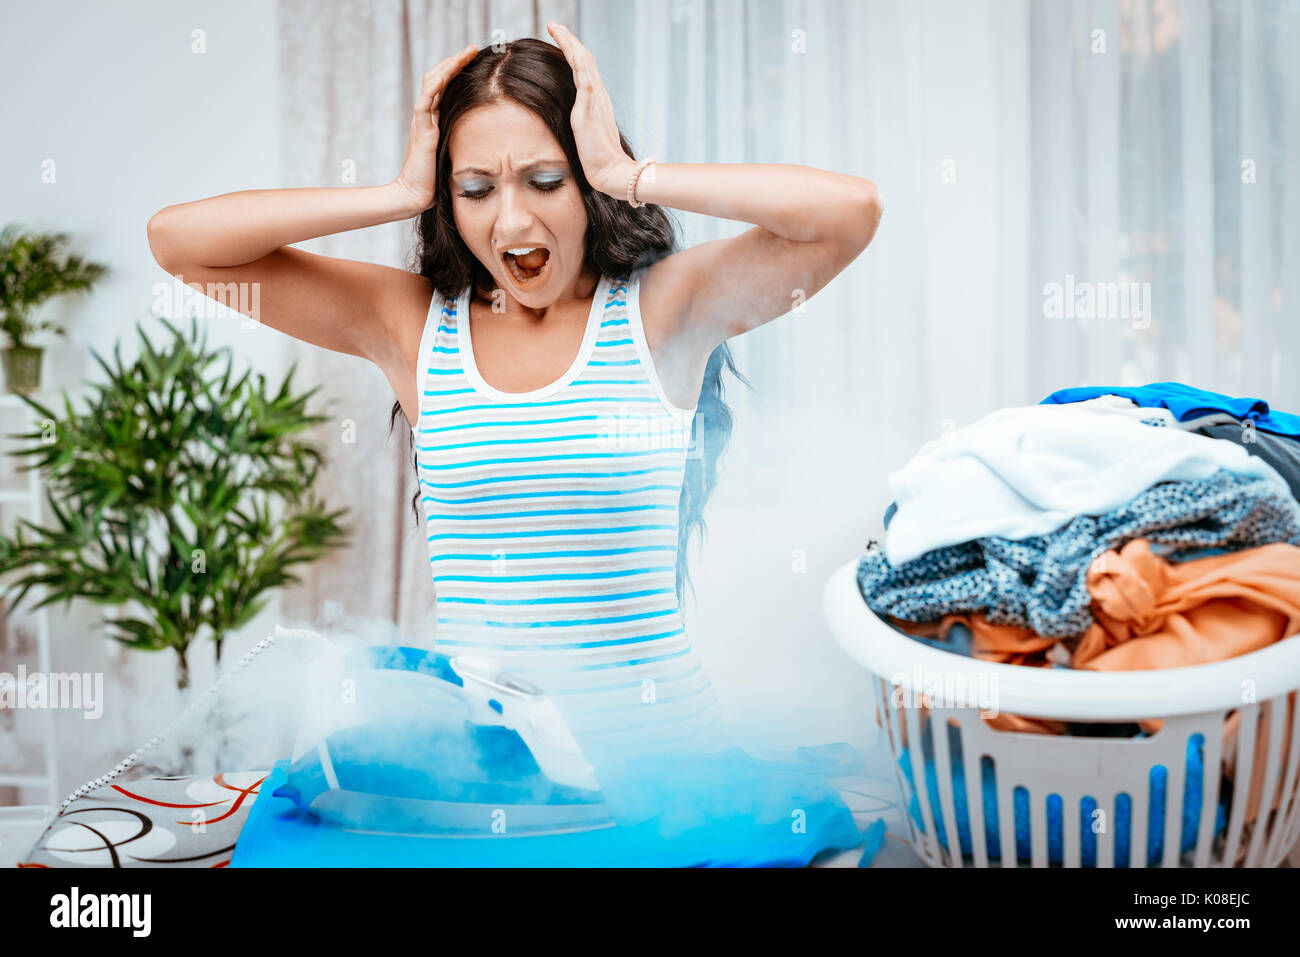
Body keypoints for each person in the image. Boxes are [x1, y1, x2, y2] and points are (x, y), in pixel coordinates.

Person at [146, 23, 882, 764]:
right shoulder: (412, 328)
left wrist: (632, 173)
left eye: (545, 180)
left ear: (587, 180)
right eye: (475, 189)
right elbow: (180, 242)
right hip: (487, 781)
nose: (512, 220)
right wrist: (397, 192)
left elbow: (849, 215)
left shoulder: (661, 309)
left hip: (667, 770)